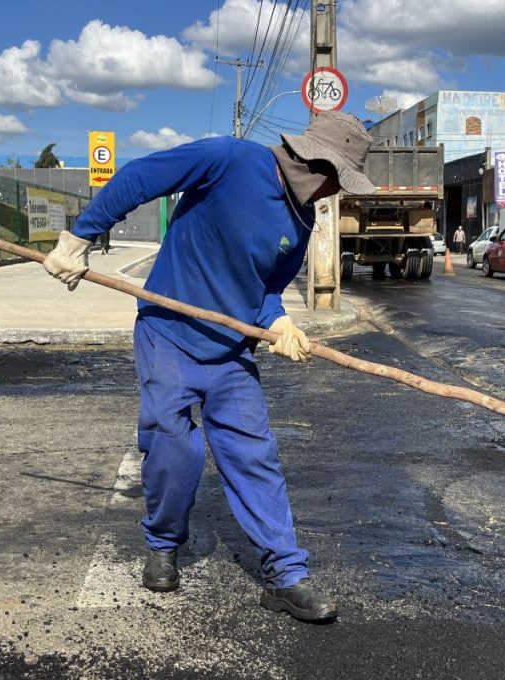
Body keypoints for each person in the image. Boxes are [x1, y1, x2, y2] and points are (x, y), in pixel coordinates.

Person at [42, 111, 376, 622]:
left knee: (254, 455)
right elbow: (139, 177)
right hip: (168, 333)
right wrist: (80, 237)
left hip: (231, 352)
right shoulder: (228, 158)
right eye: (337, 181)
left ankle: (286, 576)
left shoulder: (301, 221)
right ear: (322, 166)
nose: (334, 192)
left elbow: (265, 288)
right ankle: (163, 544)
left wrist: (280, 322)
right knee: (174, 448)